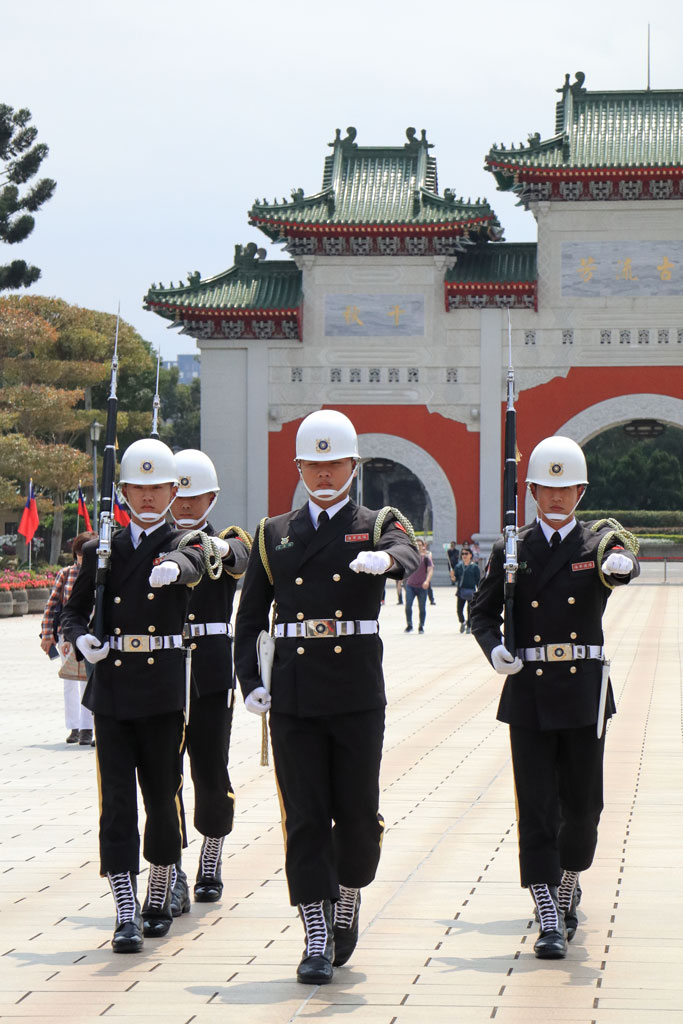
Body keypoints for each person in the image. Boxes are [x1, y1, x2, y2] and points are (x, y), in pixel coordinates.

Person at [234, 409, 419, 985]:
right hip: (295, 691)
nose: (322, 473)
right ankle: (316, 931)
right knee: (306, 815)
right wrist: (252, 681)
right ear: (298, 467)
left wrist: (387, 560)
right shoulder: (274, 533)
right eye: (312, 464)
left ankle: (349, 890)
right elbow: (249, 619)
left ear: (353, 465)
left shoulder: (378, 520)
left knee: (358, 815)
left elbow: (408, 553)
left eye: (333, 462)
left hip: (357, 689)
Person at [470, 435, 639, 959]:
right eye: (548, 488)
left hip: (585, 691)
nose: (558, 497)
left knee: (584, 807)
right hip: (531, 692)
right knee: (537, 806)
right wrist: (494, 647)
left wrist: (622, 567)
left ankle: (569, 879)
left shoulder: (598, 544)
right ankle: (547, 907)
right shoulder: (512, 549)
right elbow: (480, 611)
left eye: (568, 489)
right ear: (533, 491)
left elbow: (624, 552)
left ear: (582, 491)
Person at [61, 438, 208, 954]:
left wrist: (178, 567)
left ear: (174, 490)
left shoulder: (185, 540)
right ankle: (125, 908)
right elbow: (73, 610)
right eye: (138, 488)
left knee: (163, 798)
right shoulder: (105, 549)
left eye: (158, 488)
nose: (148, 497)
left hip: (164, 686)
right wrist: (80, 639)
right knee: (117, 804)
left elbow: (199, 561)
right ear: (123, 492)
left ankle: (161, 888)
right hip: (115, 688)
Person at [168, 450, 251, 916]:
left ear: (212, 497)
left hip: (209, 673)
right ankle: (171, 866)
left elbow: (240, 558)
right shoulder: (155, 543)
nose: (182, 504)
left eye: (193, 496)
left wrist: (212, 548)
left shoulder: (228, 537)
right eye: (176, 494)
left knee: (210, 770)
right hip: (161, 670)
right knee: (165, 776)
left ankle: (212, 852)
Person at [40, 530, 98, 745]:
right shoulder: (67, 573)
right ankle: (74, 726)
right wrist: (47, 634)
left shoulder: (103, 573)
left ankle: (88, 728)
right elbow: (52, 604)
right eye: (80, 552)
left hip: (94, 634)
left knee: (89, 681)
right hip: (69, 634)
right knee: (70, 681)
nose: (83, 556)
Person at [403, 539, 433, 634]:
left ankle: (421, 626)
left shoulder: (426, 558)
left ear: (423, 546)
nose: (418, 547)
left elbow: (430, 570)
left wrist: (427, 581)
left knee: (422, 607)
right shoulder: (409, 558)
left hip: (422, 587)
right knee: (408, 606)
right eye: (416, 545)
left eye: (419, 545)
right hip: (410, 585)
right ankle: (409, 625)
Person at [452, 546, 480, 633]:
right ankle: (462, 622)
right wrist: (452, 576)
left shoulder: (474, 567)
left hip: (471, 591)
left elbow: (478, 580)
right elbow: (455, 579)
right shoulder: (458, 566)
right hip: (461, 591)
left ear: (470, 555)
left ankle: (469, 625)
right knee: (459, 609)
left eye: (466, 554)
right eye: (463, 554)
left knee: (470, 610)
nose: (464, 555)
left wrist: (479, 591)